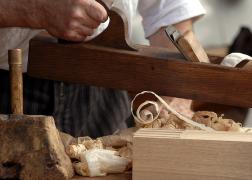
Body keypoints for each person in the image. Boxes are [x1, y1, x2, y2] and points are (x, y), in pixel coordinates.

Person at [0, 0, 206, 137]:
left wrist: (178, 87)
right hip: (13, 85)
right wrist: (34, 8)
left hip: (105, 86)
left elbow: (171, 17)